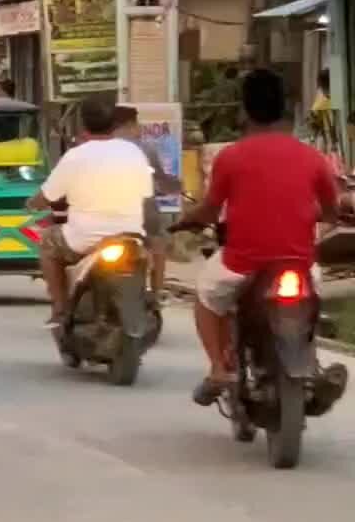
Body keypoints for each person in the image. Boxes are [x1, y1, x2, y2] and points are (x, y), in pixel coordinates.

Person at [182, 67, 342, 403]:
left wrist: (187, 220)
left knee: (207, 299)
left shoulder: (230, 157)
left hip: (242, 262)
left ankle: (218, 369)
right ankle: (310, 365)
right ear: (285, 109)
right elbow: (331, 210)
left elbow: (210, 210)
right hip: (300, 263)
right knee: (311, 302)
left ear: (244, 110)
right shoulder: (312, 158)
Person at [30, 98, 154, 326]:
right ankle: (151, 296)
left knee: (48, 242)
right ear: (113, 124)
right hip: (131, 237)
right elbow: (146, 193)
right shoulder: (133, 152)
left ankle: (60, 307)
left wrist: (31, 204)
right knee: (150, 253)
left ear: (83, 125)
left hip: (83, 240)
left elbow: (46, 197)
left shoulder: (75, 156)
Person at [110, 103, 180, 299]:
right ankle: (157, 293)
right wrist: (175, 186)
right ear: (131, 124)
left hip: (109, 212)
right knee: (158, 243)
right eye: (137, 124)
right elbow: (161, 179)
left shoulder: (100, 147)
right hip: (142, 211)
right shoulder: (146, 147)